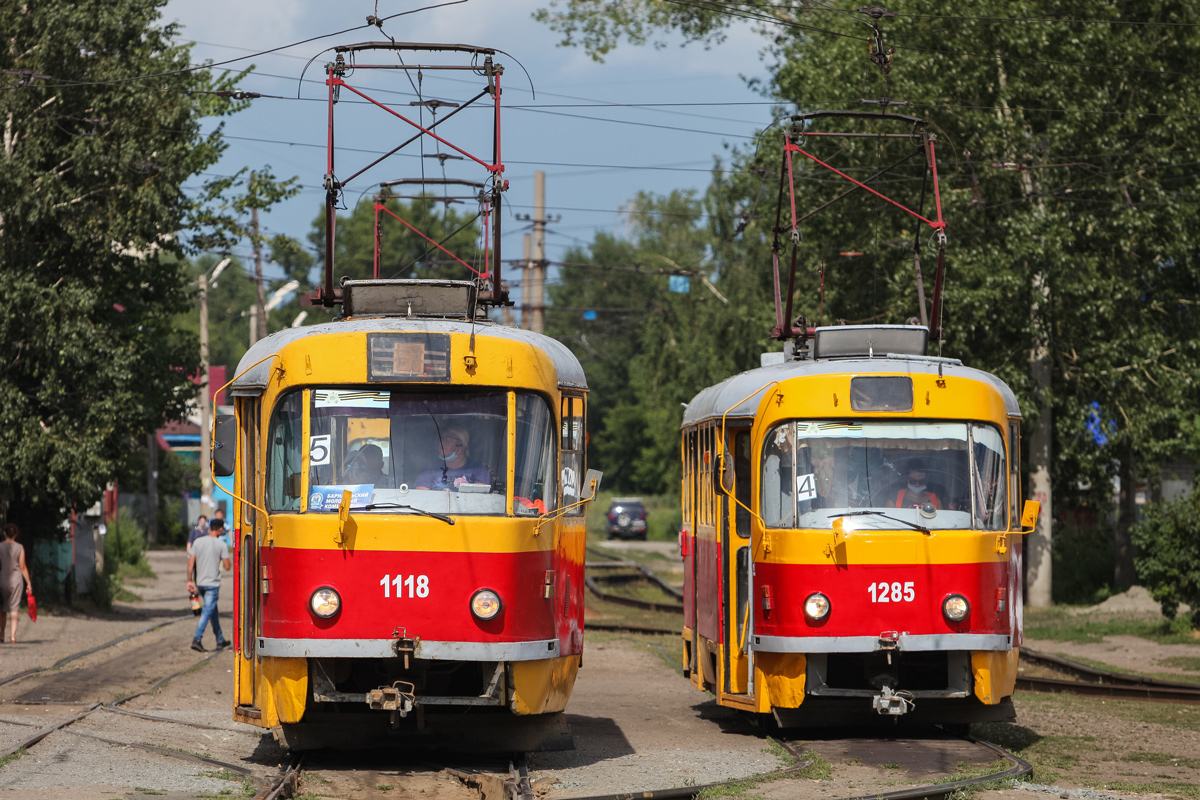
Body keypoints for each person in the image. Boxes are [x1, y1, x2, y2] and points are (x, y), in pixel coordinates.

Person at [187, 517, 231, 652]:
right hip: (212, 584)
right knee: (207, 612)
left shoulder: (198, 542)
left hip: (200, 583)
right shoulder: (221, 545)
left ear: (209, 527)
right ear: (220, 530)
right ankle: (197, 639)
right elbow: (228, 566)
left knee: (213, 612)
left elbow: (190, 563)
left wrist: (189, 580)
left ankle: (220, 640)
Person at [415, 426, 491, 490]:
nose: (441, 443)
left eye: (447, 439)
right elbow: (422, 498)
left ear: (461, 444)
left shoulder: (478, 469)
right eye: (440, 440)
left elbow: (479, 499)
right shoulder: (429, 470)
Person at [0, 523, 33, 644]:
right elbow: (22, 566)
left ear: (4, 533)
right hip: (16, 580)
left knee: (2, 610)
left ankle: (2, 635)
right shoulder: (20, 547)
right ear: (16, 534)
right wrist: (28, 582)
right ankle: (13, 636)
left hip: (2, 579)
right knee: (14, 609)